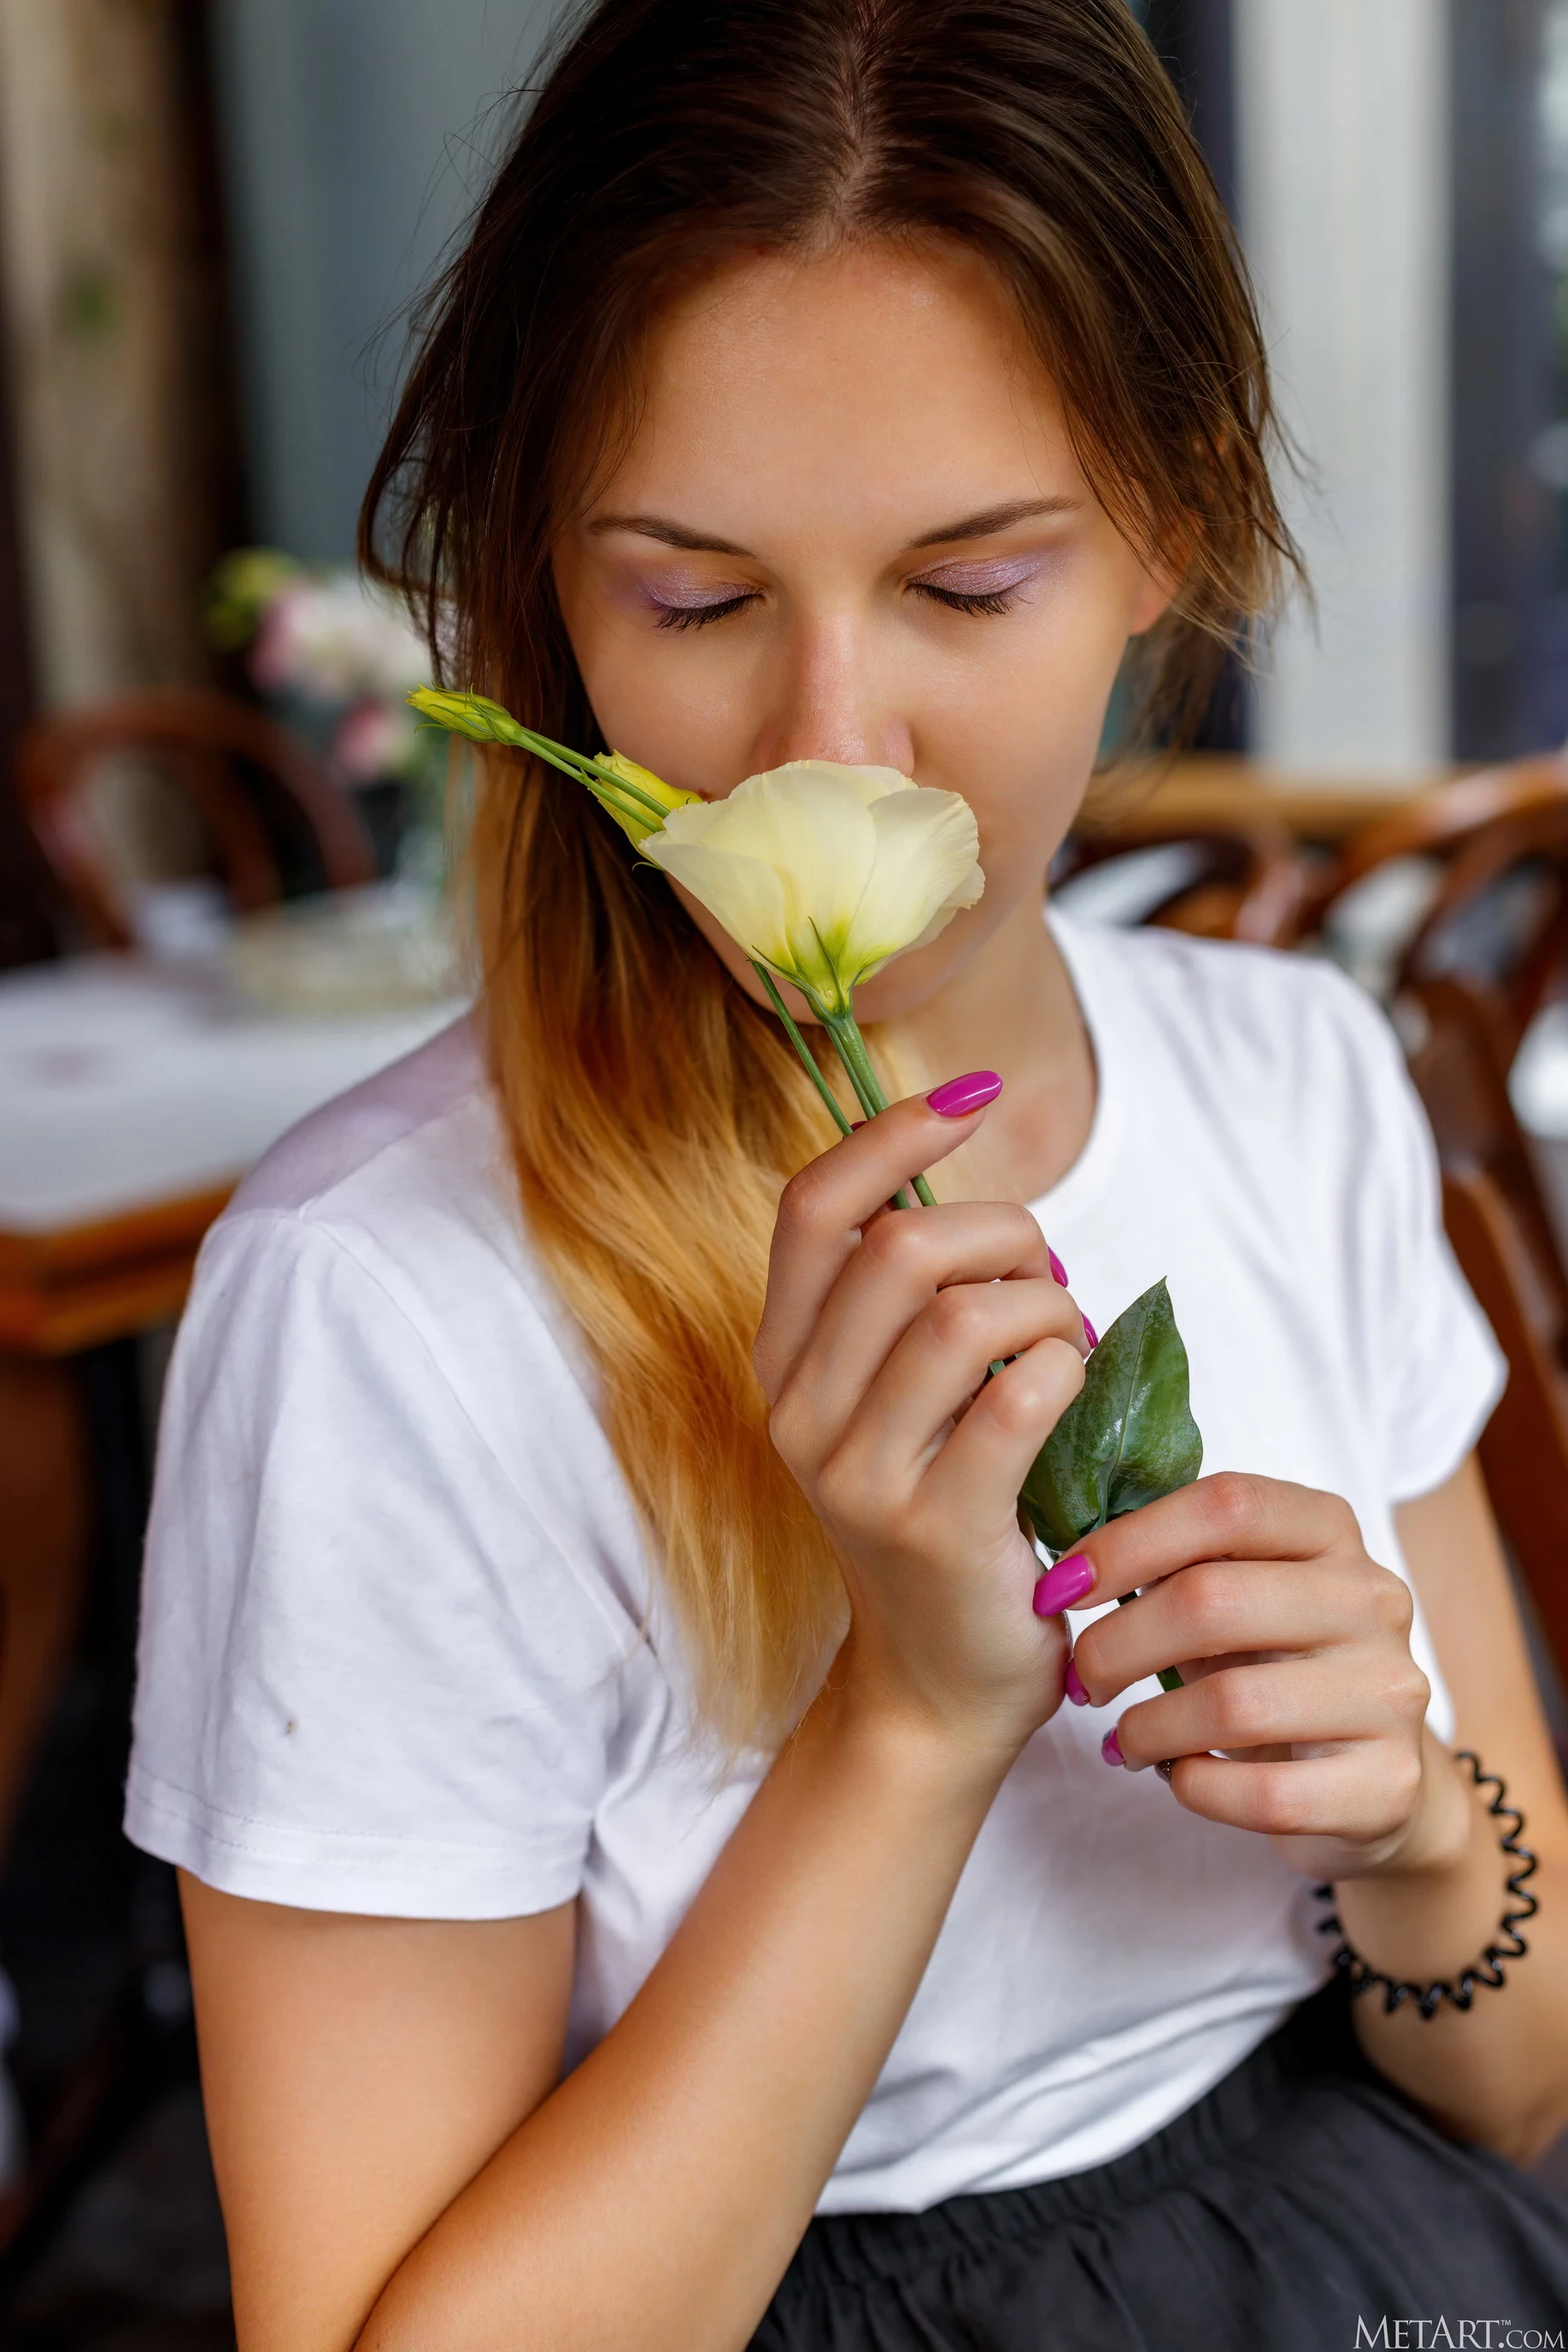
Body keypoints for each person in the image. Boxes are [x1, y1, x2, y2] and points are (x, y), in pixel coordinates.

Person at [127, 3, 1568, 2346]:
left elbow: (1520, 2085)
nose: (824, 745)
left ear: (1170, 528)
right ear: (541, 603)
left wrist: (1409, 1824)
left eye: (971, 586)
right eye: (692, 601)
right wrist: (912, 1717)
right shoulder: (379, 1302)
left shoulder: (1297, 1076)